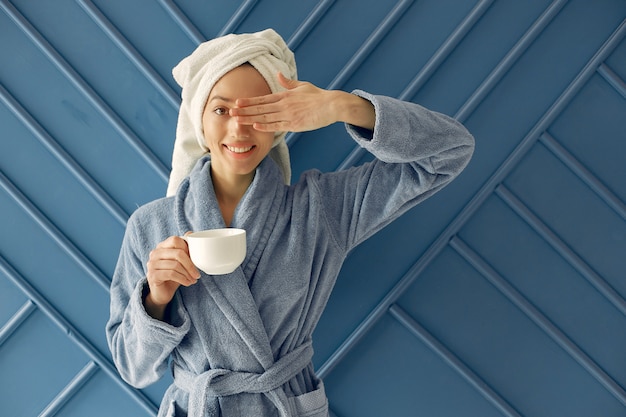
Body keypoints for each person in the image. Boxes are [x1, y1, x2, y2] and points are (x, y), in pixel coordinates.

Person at [106, 29, 474, 417]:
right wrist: (156, 298)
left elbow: (450, 152)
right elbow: (133, 368)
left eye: (258, 109)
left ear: (281, 118)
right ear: (198, 117)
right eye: (221, 109)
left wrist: (341, 106)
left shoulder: (321, 209)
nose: (238, 128)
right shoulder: (151, 226)